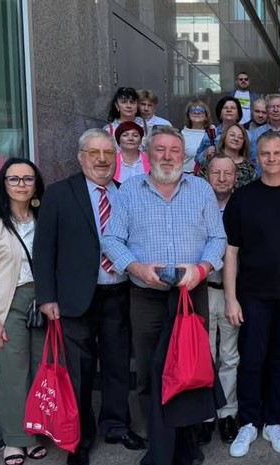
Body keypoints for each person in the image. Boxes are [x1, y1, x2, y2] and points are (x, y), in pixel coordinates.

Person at [102, 125, 226, 465]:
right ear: (148, 153)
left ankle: (187, 443)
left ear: (184, 156)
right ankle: (159, 446)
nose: (168, 156)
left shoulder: (200, 189)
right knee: (149, 371)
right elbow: (112, 239)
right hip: (146, 296)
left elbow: (218, 238)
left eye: (174, 150)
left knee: (190, 369)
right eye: (160, 149)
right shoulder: (130, 190)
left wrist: (201, 269)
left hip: (191, 293)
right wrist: (137, 268)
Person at [34, 129, 144, 465]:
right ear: (81, 157)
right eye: (94, 153)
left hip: (119, 294)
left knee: (117, 365)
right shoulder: (59, 194)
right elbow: (44, 249)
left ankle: (116, 425)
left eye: (107, 153)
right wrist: (47, 297)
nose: (101, 159)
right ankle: (79, 438)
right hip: (75, 298)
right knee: (79, 371)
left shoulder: (126, 194)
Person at [222, 132, 280, 458]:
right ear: (257, 158)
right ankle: (249, 421)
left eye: (277, 153)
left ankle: (274, 420)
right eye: (265, 153)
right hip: (253, 295)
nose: (272, 159)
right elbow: (231, 251)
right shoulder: (242, 198)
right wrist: (231, 298)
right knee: (252, 358)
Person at [0, 158, 47, 465]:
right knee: (12, 375)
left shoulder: (44, 219)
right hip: (7, 304)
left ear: (36, 185)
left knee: (40, 370)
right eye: (13, 179)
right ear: (3, 184)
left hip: (42, 303)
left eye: (28, 179)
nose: (21, 185)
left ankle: (34, 433)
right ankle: (15, 440)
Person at [204, 155, 241, 443]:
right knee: (204, 355)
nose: (222, 178)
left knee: (229, 355)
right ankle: (205, 414)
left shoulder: (242, 207)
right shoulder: (197, 205)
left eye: (227, 173)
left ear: (235, 178)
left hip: (232, 293)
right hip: (203, 289)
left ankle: (227, 412)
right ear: (207, 175)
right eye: (216, 172)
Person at [198, 124, 257, 189]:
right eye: (232, 135)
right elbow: (200, 184)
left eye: (240, 137)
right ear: (224, 137)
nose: (236, 139)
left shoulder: (249, 167)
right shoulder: (211, 160)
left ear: (244, 142)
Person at [195, 96, 243, 170]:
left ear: (238, 115)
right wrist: (205, 153)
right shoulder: (210, 134)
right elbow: (197, 159)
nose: (229, 110)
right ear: (220, 114)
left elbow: (252, 160)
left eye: (233, 108)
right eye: (225, 108)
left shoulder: (247, 135)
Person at [181, 99, 214, 174]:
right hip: (187, 174)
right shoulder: (181, 135)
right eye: (193, 110)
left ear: (206, 116)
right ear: (188, 115)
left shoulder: (212, 133)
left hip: (208, 174)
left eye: (200, 110)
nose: (196, 112)